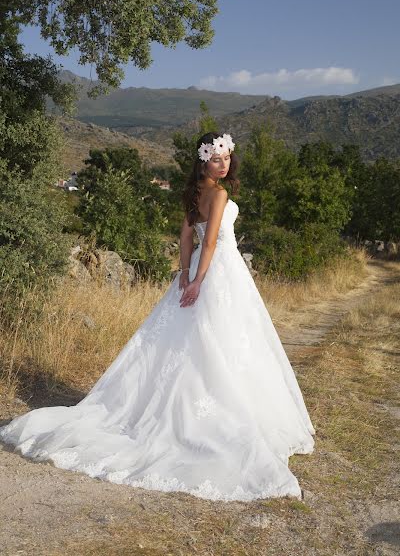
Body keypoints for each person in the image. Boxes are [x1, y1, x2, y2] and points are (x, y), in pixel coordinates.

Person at [0, 131, 315, 502]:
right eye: (216, 159)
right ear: (203, 161)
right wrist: (197, 280)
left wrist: (184, 273)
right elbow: (209, 241)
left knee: (197, 342)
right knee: (220, 341)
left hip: (201, 269)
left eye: (227, 157)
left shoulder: (194, 193)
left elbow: (187, 241)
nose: (224, 163)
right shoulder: (220, 194)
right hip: (219, 269)